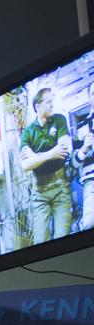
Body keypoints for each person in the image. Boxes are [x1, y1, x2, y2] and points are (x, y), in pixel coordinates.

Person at [19, 87, 73, 244]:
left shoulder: (59, 120)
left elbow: (62, 150)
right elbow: (25, 165)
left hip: (60, 188)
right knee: (40, 242)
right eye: (48, 102)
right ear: (38, 106)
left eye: (52, 101)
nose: (52, 105)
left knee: (63, 239)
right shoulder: (28, 132)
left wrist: (36, 157)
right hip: (39, 193)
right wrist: (51, 153)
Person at [75, 83, 94, 231]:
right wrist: (84, 149)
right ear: (89, 98)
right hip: (91, 179)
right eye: (93, 93)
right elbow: (74, 163)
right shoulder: (82, 127)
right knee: (89, 224)